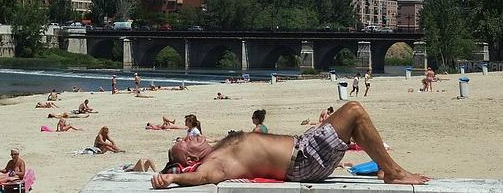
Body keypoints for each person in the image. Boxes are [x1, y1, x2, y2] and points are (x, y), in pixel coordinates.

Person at [151, 102, 429, 189]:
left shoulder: (217, 148)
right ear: (190, 158)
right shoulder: (214, 163)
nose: (190, 137)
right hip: (303, 160)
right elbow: (201, 177)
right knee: (354, 111)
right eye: (186, 143)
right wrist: (172, 177)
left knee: (349, 120)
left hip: (304, 148)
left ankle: (384, 168)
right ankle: (392, 171)